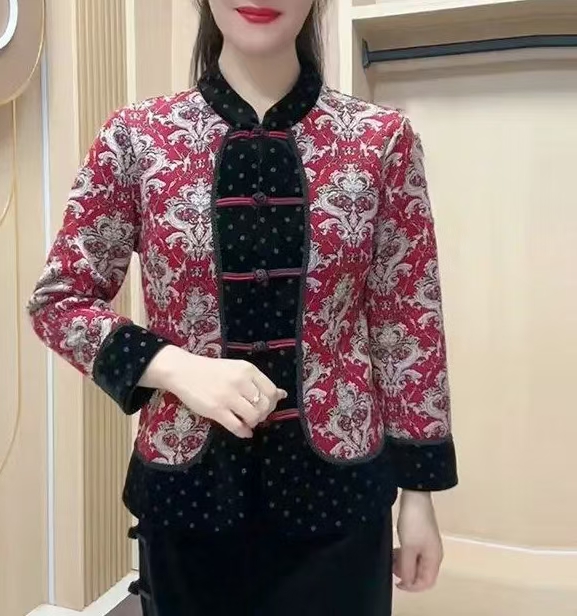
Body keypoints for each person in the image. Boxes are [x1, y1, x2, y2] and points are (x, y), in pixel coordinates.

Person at [28, 0, 458, 614]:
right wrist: (176, 368)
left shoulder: (380, 139)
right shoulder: (138, 137)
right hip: (188, 502)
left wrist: (419, 491)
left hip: (341, 504)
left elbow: (407, 317)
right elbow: (59, 300)